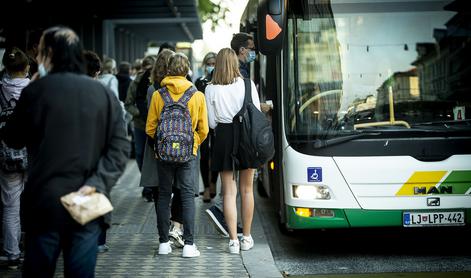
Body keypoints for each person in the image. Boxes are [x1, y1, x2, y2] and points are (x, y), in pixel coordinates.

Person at [0, 26, 129, 277]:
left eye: (39, 53)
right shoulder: (102, 93)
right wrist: (97, 182)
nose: (36, 59)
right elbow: (120, 146)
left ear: (49, 54)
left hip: (45, 200)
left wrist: (31, 92)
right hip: (88, 197)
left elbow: (12, 138)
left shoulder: (36, 91)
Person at [146, 53, 208, 258]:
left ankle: (164, 243)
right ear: (187, 70)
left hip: (163, 155)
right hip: (187, 155)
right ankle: (189, 245)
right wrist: (193, 145)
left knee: (164, 195)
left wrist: (162, 146)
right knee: (188, 197)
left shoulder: (158, 95)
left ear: (169, 70)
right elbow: (204, 129)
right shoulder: (197, 95)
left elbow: (150, 128)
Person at [205, 48, 259, 254]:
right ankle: (246, 237)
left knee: (228, 191)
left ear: (217, 65)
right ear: (235, 63)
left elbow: (211, 123)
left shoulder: (210, 89)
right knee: (247, 190)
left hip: (224, 137)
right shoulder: (247, 84)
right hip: (246, 137)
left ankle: (233, 241)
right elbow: (254, 112)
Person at [139, 49, 185, 248]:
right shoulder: (186, 89)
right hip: (181, 147)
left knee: (160, 191)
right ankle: (177, 227)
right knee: (179, 187)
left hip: (157, 145)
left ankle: (163, 233)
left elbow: (151, 122)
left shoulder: (153, 90)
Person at [0, 47, 30, 270]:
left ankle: (12, 254)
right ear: (27, 67)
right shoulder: (35, 89)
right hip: (34, 153)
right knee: (37, 200)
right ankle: (39, 248)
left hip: (7, 153)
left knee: (11, 204)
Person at [125, 55, 157, 202]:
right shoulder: (136, 82)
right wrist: (139, 113)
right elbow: (128, 103)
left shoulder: (158, 82)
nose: (148, 72)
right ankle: (148, 183)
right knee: (139, 154)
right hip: (139, 124)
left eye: (151, 68)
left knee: (152, 155)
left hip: (155, 124)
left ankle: (150, 185)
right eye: (146, 68)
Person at [195, 52, 218, 202]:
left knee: (215, 154)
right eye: (209, 64)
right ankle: (207, 188)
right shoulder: (199, 82)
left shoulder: (221, 81)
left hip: (217, 123)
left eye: (214, 64)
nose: (211, 67)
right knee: (203, 155)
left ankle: (213, 183)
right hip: (202, 123)